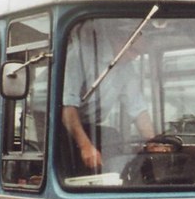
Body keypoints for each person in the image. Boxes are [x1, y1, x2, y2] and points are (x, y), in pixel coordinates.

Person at [61, 21, 156, 174]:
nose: (134, 58)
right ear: (118, 40)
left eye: (138, 54)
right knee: (68, 161)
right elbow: (67, 107)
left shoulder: (126, 68)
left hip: (87, 119)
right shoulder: (81, 53)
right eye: (133, 51)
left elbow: (139, 110)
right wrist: (86, 147)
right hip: (53, 116)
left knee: (111, 138)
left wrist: (154, 143)